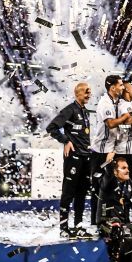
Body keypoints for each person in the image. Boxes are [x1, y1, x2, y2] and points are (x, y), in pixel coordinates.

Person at [45, 81, 92, 237]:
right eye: (86, 91)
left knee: (81, 193)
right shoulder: (70, 110)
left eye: (89, 91)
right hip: (74, 157)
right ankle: (63, 228)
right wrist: (66, 140)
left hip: (86, 157)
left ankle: (78, 225)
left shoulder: (85, 112)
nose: (88, 94)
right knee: (68, 193)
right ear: (77, 93)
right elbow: (51, 128)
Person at [90, 75, 130, 225]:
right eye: (120, 85)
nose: (123, 87)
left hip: (109, 150)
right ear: (112, 87)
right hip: (100, 152)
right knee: (98, 188)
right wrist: (125, 117)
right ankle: (96, 222)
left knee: (112, 187)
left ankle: (111, 220)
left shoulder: (115, 101)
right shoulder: (105, 103)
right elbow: (111, 124)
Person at [100, 158, 132, 262]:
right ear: (115, 172)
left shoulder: (130, 184)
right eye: (124, 168)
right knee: (117, 231)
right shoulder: (109, 182)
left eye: (128, 168)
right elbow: (107, 175)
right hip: (106, 222)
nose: (128, 170)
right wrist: (109, 162)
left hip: (124, 221)